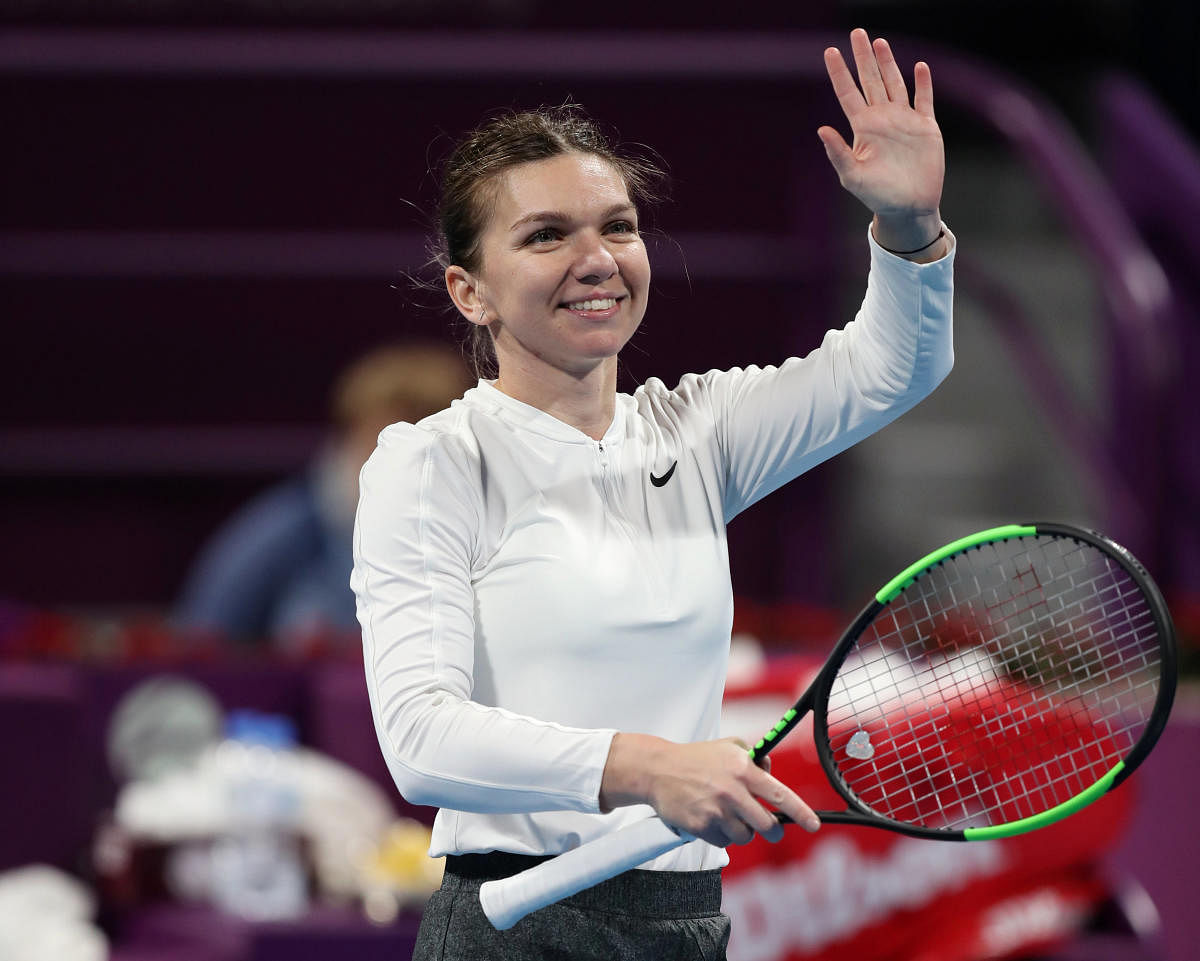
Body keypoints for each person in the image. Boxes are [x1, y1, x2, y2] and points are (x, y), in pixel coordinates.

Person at [352, 28, 953, 959]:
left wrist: (909, 229)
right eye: (547, 235)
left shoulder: (696, 432)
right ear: (469, 292)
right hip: (512, 926)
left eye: (618, 226)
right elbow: (422, 738)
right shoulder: (433, 462)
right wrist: (649, 768)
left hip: (685, 920)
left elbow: (892, 370)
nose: (597, 259)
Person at [175, 342, 471, 647]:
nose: (395, 464)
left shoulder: (486, 538)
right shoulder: (283, 530)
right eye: (378, 441)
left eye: (419, 450)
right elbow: (200, 647)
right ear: (348, 438)